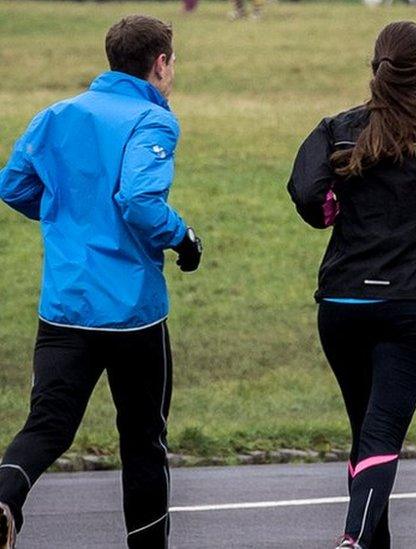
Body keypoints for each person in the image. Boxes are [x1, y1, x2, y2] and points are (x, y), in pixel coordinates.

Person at [287, 20, 416, 549]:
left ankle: (369, 543)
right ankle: (354, 541)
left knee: (367, 433)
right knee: (382, 436)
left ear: (375, 64)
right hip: (410, 306)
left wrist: (334, 207)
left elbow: (307, 196)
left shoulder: (336, 128)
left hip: (341, 303)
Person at [0, 14, 202, 549]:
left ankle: (2, 500)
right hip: (133, 312)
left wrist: (66, 221)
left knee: (47, 426)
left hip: (64, 305)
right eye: (172, 62)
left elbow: (13, 184)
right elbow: (138, 201)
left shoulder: (57, 114)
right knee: (143, 442)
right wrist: (184, 239)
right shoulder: (153, 121)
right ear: (159, 64)